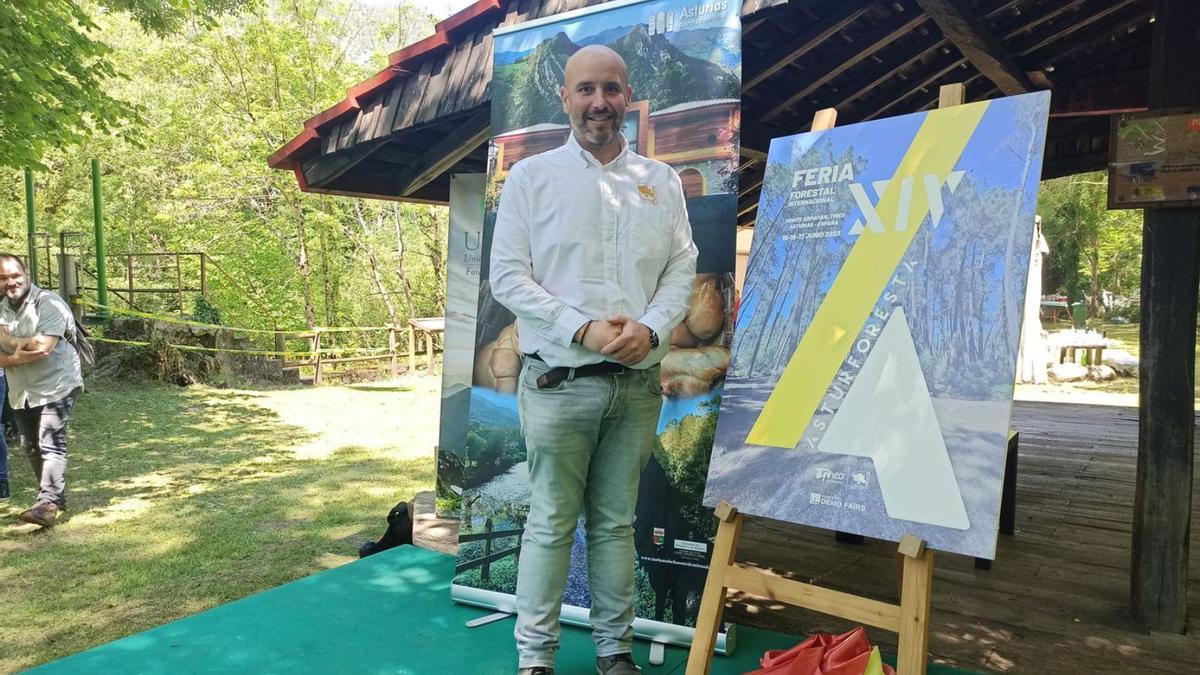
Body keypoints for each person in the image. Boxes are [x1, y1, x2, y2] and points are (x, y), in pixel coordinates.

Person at [489, 45, 698, 675]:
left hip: (635, 385)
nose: (598, 102)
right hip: (557, 382)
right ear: (566, 98)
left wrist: (654, 327)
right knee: (551, 522)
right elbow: (507, 276)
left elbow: (681, 267)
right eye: (586, 89)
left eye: (610, 88)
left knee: (614, 524)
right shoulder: (531, 178)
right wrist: (579, 326)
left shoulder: (660, 183)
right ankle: (536, 660)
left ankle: (615, 653)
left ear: (627, 96)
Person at [0, 254, 84, 527]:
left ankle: (47, 503)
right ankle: (54, 500)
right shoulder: (3, 308)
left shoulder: (49, 303)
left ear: (27, 274)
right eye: (3, 278)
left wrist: (9, 343)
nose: (10, 282)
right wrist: (20, 347)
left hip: (56, 384)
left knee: (50, 441)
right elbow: (30, 346)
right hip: (22, 389)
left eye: (15, 275)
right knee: (30, 446)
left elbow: (43, 348)